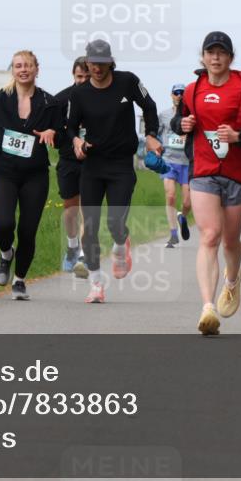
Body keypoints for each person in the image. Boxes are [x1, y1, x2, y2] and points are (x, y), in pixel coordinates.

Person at [172, 31, 241, 335]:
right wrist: (183, 123)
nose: (215, 58)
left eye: (221, 53)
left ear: (230, 58)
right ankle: (207, 308)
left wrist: (240, 136)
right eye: (210, 52)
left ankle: (232, 279)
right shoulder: (193, 90)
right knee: (210, 236)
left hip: (237, 173)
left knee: (230, 241)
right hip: (203, 170)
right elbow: (178, 121)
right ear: (203, 57)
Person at [67, 39, 161, 304]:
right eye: (92, 63)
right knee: (91, 227)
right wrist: (76, 142)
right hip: (93, 164)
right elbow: (71, 127)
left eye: (102, 63)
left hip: (121, 164)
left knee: (115, 222)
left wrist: (151, 135)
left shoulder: (127, 81)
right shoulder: (80, 93)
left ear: (111, 62)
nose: (96, 68)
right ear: (87, 62)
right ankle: (96, 284)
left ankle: (121, 245)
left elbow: (150, 106)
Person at [0, 50, 59, 301]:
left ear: (37, 69)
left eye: (28, 65)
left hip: (35, 174)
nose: (23, 69)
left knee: (27, 230)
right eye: (18, 66)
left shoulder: (48, 102)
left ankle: (20, 280)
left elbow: (63, 132)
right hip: (5, 172)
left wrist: (52, 133)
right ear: (12, 70)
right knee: (3, 224)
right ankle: (5, 254)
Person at [53, 56, 90, 276]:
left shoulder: (100, 97)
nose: (83, 80)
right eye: (79, 76)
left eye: (87, 76)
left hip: (92, 162)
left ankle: (84, 256)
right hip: (68, 159)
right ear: (73, 76)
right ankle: (72, 245)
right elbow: (55, 132)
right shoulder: (61, 100)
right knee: (70, 210)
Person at [157, 83, 192, 247]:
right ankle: (173, 234)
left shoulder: (191, 116)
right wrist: (156, 147)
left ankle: (182, 217)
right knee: (170, 196)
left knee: (187, 203)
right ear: (171, 95)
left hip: (187, 162)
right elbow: (155, 133)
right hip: (169, 161)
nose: (179, 95)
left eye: (182, 93)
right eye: (176, 93)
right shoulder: (163, 115)